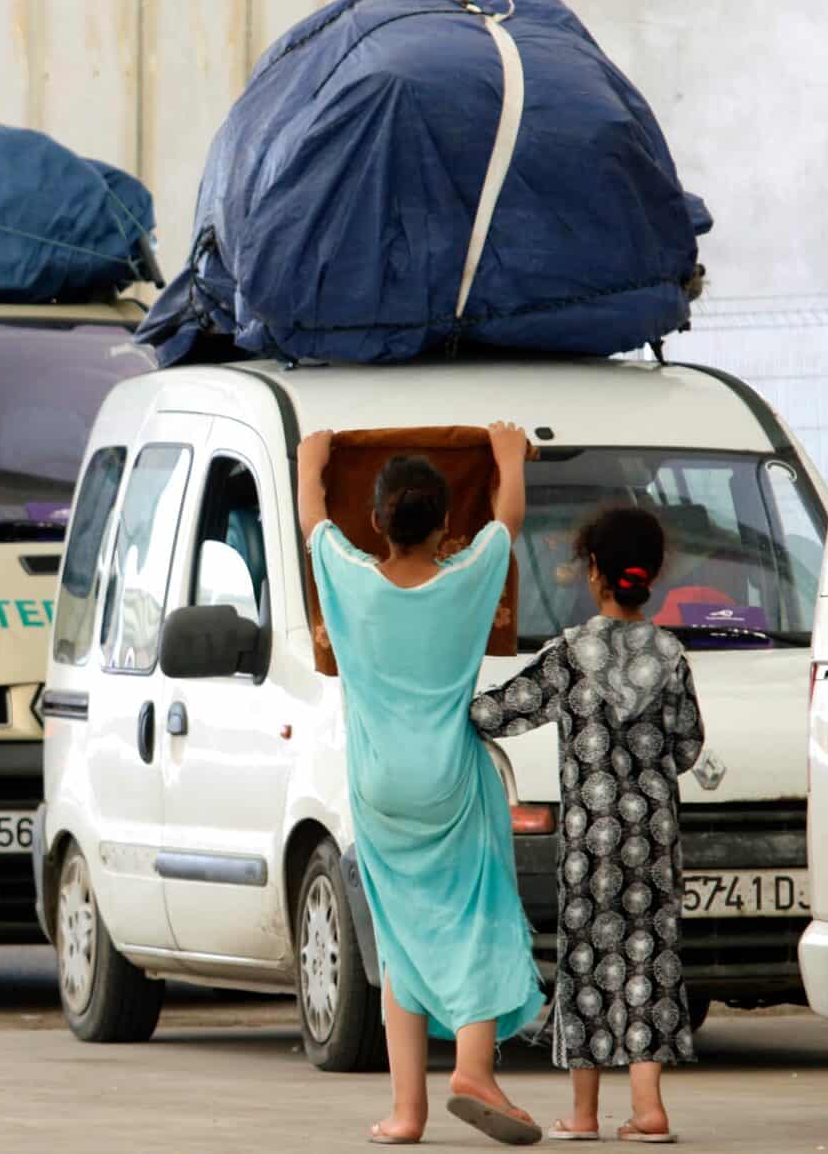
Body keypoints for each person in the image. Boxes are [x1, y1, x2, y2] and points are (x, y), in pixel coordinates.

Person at [300, 422, 547, 1147]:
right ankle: (472, 1067)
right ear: (445, 525)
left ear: (376, 520)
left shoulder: (348, 578)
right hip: (450, 779)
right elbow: (507, 521)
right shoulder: (466, 580)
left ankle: (407, 1111)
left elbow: (314, 520)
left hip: (378, 789)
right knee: (477, 914)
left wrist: (312, 459)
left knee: (400, 932)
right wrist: (505, 455)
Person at [470, 506, 706, 1144]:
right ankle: (649, 1107)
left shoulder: (572, 655)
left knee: (587, 960)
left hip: (587, 847)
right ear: (653, 574)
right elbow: (688, 748)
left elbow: (496, 714)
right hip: (654, 841)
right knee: (648, 959)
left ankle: (581, 1114)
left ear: (594, 572)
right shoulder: (672, 655)